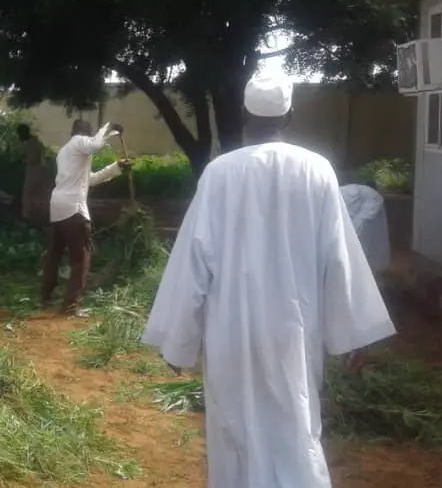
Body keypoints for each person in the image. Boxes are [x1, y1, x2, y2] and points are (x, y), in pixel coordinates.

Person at [141, 78, 396, 488]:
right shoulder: (317, 170)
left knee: (233, 431)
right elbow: (339, 256)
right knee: (295, 427)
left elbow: (194, 259)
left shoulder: (219, 173)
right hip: (294, 329)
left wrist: (180, 337)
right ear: (290, 117)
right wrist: (355, 333)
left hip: (231, 330)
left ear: (244, 117)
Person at [42, 121, 130, 316]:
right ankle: (70, 306)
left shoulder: (65, 152)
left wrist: (117, 167)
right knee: (81, 259)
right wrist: (107, 128)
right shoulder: (79, 142)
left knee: (54, 254)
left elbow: (89, 179)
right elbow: (96, 145)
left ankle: (45, 296)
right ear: (86, 134)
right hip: (73, 209)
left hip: (57, 207)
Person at [340, 184, 392, 274]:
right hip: (363, 204)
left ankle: (366, 269)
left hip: (370, 201)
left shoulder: (335, 198)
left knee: (358, 235)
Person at [18, 124, 49, 223]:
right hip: (38, 171)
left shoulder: (32, 143)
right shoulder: (33, 142)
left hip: (34, 172)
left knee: (27, 195)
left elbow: (34, 158)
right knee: (36, 196)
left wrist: (22, 161)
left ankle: (28, 217)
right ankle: (37, 216)